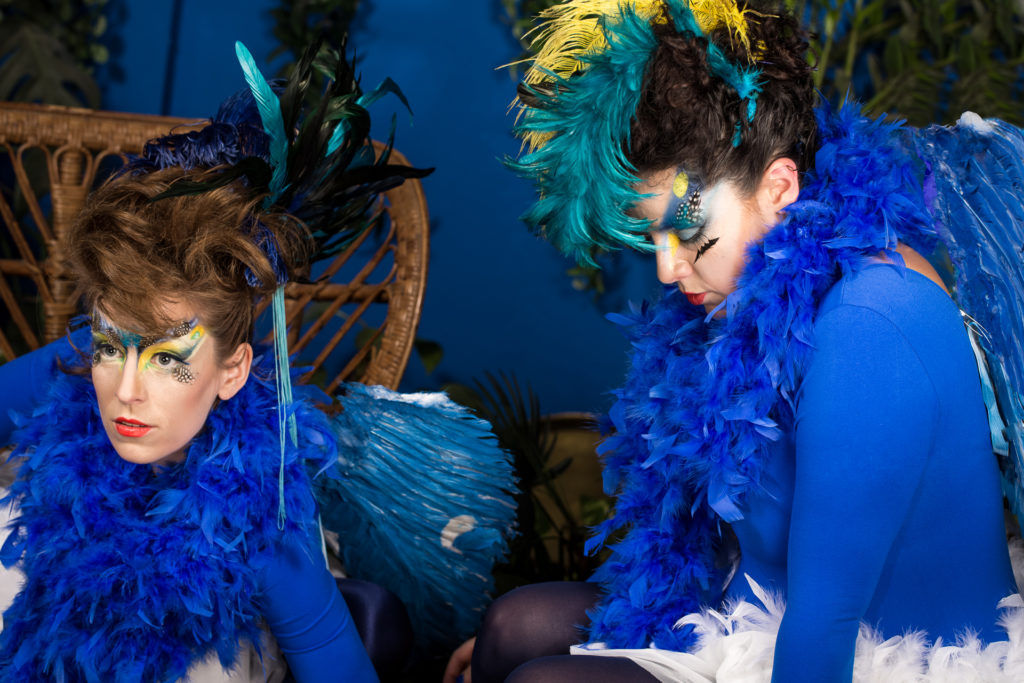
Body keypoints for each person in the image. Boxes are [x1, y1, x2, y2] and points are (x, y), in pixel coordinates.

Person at [446, 0, 1024, 681]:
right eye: (652, 235)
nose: (667, 269)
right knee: (511, 626)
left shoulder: (874, 323)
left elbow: (824, 625)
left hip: (883, 655)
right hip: (751, 613)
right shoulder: (735, 294)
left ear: (780, 185)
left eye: (688, 233)